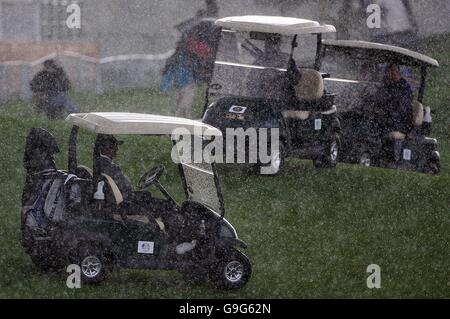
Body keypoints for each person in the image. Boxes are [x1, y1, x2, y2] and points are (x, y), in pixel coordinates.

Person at [95, 134, 197, 254]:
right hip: (126, 205)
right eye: (114, 147)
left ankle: (170, 241)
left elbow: (123, 190)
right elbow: (126, 192)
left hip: (124, 202)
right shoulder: (110, 167)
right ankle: (176, 245)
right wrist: (142, 196)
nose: (117, 150)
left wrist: (142, 194)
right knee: (169, 207)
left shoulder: (101, 164)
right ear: (105, 149)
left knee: (160, 203)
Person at [160, 0, 220, 119]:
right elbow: (199, 54)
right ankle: (182, 115)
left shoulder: (191, 35)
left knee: (184, 91)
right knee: (186, 90)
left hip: (184, 66)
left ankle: (182, 114)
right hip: (185, 67)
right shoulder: (197, 37)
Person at [372, 63, 413, 161]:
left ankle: (383, 158)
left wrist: (384, 111)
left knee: (376, 128)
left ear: (397, 72)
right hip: (388, 119)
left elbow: (401, 108)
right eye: (388, 72)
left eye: (392, 71)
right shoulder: (387, 86)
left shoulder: (404, 88)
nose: (389, 74)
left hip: (400, 122)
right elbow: (378, 100)